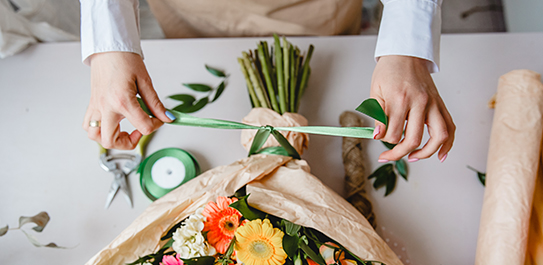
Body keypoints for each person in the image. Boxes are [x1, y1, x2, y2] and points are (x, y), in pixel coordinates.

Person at [80, 0, 455, 163]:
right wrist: (108, 46)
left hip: (314, 11)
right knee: (194, 46)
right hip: (193, 11)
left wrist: (407, 46)